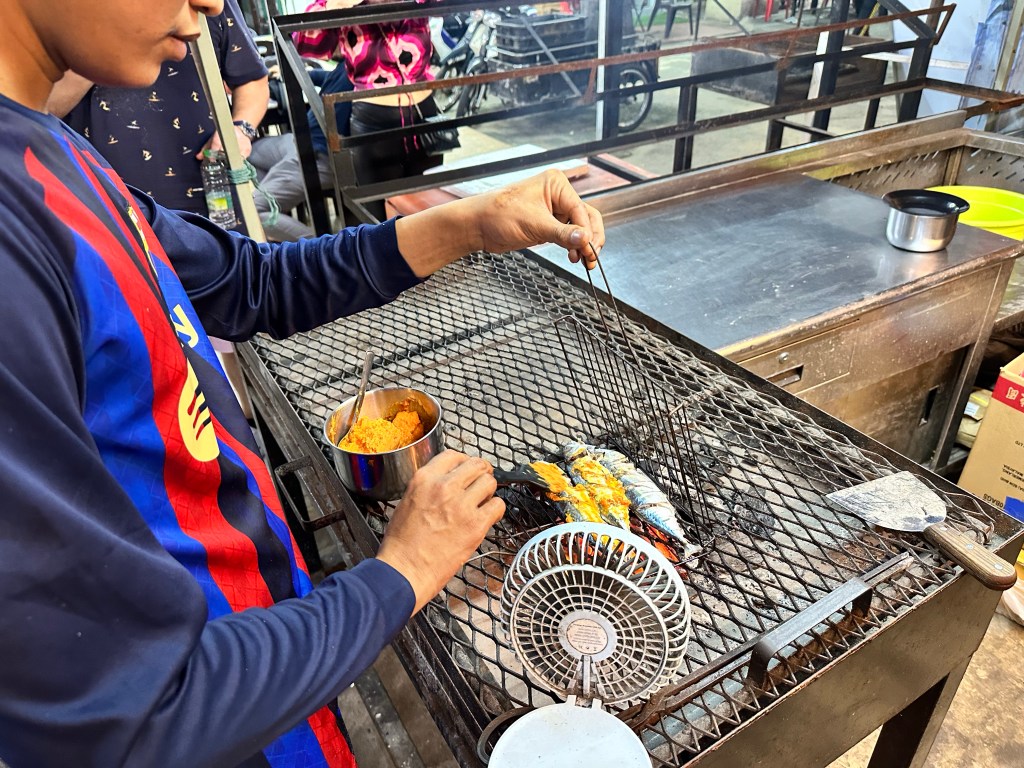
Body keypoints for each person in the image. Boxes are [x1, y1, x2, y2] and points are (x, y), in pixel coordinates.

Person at [0, 1, 603, 766]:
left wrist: (473, 223)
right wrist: (402, 572)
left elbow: (250, 283)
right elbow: (125, 716)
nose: (211, 5)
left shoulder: (54, 151)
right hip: (222, 723)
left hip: (268, 660)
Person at [52, 0, 269, 218]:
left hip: (211, 192)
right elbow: (42, 107)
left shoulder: (210, 5)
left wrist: (241, 129)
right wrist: (103, 39)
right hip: (106, 200)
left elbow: (251, 79)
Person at [293, 0, 444, 219]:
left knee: (431, 207)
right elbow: (303, 42)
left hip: (424, 110)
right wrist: (337, 4)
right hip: (375, 117)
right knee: (379, 215)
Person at [248, 63, 354, 240]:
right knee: (249, 152)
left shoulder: (365, 68)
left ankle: (322, 249)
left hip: (319, 156)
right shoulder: (350, 62)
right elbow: (329, 77)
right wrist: (297, 72)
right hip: (300, 142)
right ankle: (276, 209)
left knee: (252, 211)